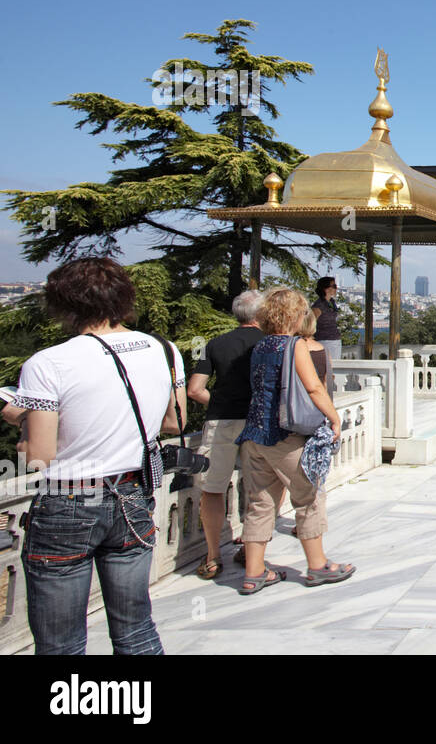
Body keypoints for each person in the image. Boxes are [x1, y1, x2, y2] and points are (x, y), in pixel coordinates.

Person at [4, 257, 185, 654]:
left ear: (65, 304)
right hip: (134, 495)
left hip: (69, 501)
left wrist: (20, 422)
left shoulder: (49, 363)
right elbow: (173, 422)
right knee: (136, 629)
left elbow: (39, 457)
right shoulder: (164, 350)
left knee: (61, 643)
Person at [236, 288, 353, 593]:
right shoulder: (294, 345)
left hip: (254, 435)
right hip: (284, 437)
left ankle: (254, 572)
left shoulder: (260, 345)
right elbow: (314, 387)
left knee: (260, 504)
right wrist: (334, 417)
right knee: (310, 497)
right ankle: (317, 566)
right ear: (295, 315)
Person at [186, 290, 266, 580]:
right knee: (259, 490)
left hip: (220, 421)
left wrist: (218, 402)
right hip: (258, 423)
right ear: (261, 314)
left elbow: (195, 389)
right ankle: (249, 546)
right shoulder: (269, 344)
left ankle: (212, 557)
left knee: (213, 488)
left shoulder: (214, 344)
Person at [310, 277, 342, 360]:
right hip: (324, 341)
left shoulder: (331, 302)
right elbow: (310, 323)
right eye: (334, 286)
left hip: (334, 341)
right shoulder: (319, 306)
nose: (336, 288)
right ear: (326, 289)